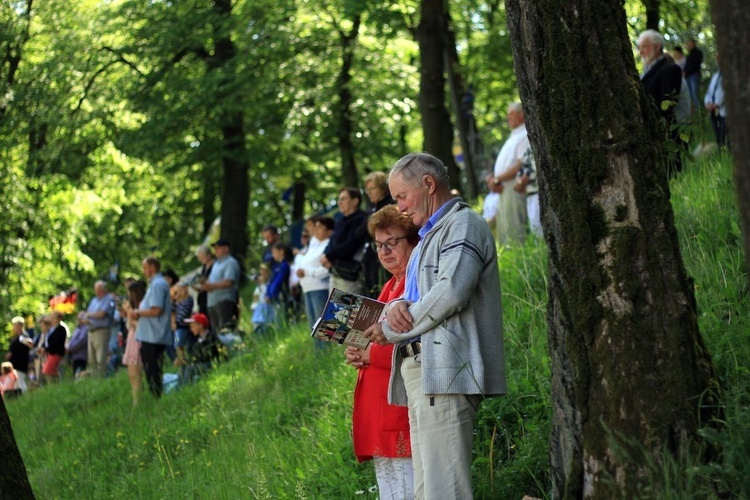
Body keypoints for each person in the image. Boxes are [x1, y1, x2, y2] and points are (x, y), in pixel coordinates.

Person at [367, 152, 506, 499]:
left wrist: (392, 329)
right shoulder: (428, 236)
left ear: (428, 184)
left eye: (402, 196)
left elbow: (451, 290)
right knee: (428, 490)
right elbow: (415, 298)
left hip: (444, 370)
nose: (399, 207)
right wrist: (397, 305)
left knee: (445, 489)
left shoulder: (463, 224)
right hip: (422, 372)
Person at [344, 204, 418, 499]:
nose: (385, 251)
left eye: (392, 242)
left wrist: (369, 355)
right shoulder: (389, 285)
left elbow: (416, 345)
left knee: (407, 489)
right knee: (390, 489)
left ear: (413, 241)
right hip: (380, 413)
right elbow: (376, 338)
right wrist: (356, 350)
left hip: (398, 411)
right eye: (378, 245)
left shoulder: (414, 284)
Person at [638, 29, 683, 174]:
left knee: (671, 175)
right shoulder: (646, 71)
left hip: (664, 134)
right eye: (640, 48)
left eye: (644, 47)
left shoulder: (670, 69)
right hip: (651, 134)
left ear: (657, 47)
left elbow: (667, 105)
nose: (641, 52)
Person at [129, 257, 172, 398]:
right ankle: (155, 397)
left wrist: (137, 313)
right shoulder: (155, 284)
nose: (143, 271)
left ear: (152, 267)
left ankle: (157, 397)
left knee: (153, 370)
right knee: (150, 369)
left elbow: (156, 310)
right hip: (149, 334)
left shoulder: (158, 284)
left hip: (155, 336)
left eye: (145, 267)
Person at [492, 102, 530, 244]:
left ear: (521, 115)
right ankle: (511, 256)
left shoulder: (525, 134)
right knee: (506, 225)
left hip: (514, 184)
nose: (508, 118)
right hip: (503, 185)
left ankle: (520, 255)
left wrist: (497, 179)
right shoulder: (514, 135)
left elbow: (520, 164)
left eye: (511, 114)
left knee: (515, 225)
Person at [320, 187, 368, 295]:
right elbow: (331, 241)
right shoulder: (340, 220)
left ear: (355, 201)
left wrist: (328, 257)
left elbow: (351, 245)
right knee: (334, 310)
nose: (339, 203)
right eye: (339, 199)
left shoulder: (361, 220)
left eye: (343, 199)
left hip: (349, 274)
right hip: (335, 271)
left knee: (347, 311)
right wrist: (325, 255)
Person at [296, 216, 334, 333]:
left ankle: (325, 350)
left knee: (322, 325)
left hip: (319, 287)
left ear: (329, 231)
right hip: (307, 287)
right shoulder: (314, 244)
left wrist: (307, 271)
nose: (315, 230)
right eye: (315, 227)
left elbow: (326, 269)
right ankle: (318, 351)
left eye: (319, 227)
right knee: (313, 326)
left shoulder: (328, 244)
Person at [362, 171, 395, 297]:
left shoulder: (391, 204)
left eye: (372, 188)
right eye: (367, 189)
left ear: (382, 188)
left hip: (388, 255)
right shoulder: (370, 207)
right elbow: (361, 232)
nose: (369, 192)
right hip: (372, 258)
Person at [202, 239, 241, 332]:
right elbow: (212, 280)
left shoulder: (230, 262)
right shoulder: (216, 264)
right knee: (217, 331)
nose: (215, 250)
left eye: (218, 248)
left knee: (225, 329)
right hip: (212, 302)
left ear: (226, 249)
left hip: (224, 300)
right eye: (215, 248)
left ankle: (232, 346)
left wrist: (212, 286)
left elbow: (229, 281)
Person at [83, 281, 116, 378]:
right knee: (91, 359)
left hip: (102, 330)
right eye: (96, 289)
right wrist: (86, 317)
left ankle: (102, 378)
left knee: (100, 358)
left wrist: (89, 315)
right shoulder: (94, 300)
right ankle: (95, 380)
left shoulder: (109, 299)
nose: (97, 291)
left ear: (104, 289)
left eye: (99, 289)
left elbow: (102, 314)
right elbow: (88, 313)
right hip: (91, 330)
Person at [181, 313, 223, 384]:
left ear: (200, 325)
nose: (191, 329)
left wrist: (195, 359)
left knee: (190, 369)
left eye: (193, 326)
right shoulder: (198, 341)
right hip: (203, 364)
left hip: (211, 364)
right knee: (183, 367)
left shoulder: (211, 337)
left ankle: (186, 389)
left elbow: (208, 355)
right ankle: (180, 390)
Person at [123, 280, 146, 405]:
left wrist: (130, 313)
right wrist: (128, 313)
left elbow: (140, 327)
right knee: (132, 375)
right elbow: (129, 326)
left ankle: (138, 401)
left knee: (136, 374)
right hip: (132, 338)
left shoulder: (143, 307)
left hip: (139, 340)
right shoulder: (134, 308)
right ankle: (136, 400)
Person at [514, 147, 542, 238]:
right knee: (534, 226)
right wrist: (519, 182)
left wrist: (521, 182)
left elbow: (535, 169)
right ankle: (539, 250)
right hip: (529, 193)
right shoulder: (528, 149)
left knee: (539, 226)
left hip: (538, 192)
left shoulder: (537, 146)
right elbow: (521, 169)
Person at [172, 282, 195, 380]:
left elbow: (184, 312)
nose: (181, 292)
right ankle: (182, 358)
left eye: (182, 289)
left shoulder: (188, 299)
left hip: (183, 324)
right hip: (179, 325)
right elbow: (172, 309)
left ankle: (182, 359)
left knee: (178, 343)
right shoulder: (178, 301)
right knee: (178, 344)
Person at [5, 316, 33, 392]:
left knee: (20, 381)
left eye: (15, 325)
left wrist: (12, 353)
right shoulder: (16, 336)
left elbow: (28, 345)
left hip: (21, 363)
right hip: (15, 363)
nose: (14, 327)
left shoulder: (24, 335)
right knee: (16, 383)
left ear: (20, 325)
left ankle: (25, 397)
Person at [704, 55, 727, 148]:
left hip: (722, 109)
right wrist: (707, 103)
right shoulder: (715, 76)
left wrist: (716, 104)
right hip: (713, 110)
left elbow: (725, 93)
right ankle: (720, 150)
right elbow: (709, 92)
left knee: (723, 132)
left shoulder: (728, 76)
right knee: (717, 132)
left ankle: (725, 150)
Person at [41, 311, 67, 384]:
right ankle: (57, 385)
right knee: (52, 371)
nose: (52, 320)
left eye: (54, 318)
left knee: (47, 371)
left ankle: (53, 385)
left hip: (56, 353)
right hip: (51, 353)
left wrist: (46, 349)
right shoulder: (52, 329)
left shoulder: (61, 329)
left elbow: (56, 342)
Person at [66, 312, 89, 380]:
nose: (79, 320)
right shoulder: (78, 328)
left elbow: (81, 341)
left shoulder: (85, 328)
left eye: (81, 318)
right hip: (75, 356)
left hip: (81, 355)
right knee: (75, 373)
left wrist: (71, 348)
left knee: (80, 373)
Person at [194, 245, 215, 317]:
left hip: (212, 299)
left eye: (202, 257)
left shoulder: (215, 266)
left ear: (209, 255)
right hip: (203, 300)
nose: (201, 260)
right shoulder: (203, 268)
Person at [683, 38, 703, 111]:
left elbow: (695, 65)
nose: (689, 46)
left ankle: (699, 111)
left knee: (694, 93)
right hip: (688, 76)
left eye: (690, 44)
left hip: (694, 75)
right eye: (688, 44)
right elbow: (687, 65)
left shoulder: (698, 53)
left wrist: (686, 72)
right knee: (690, 94)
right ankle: (694, 111)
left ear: (694, 44)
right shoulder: (689, 55)